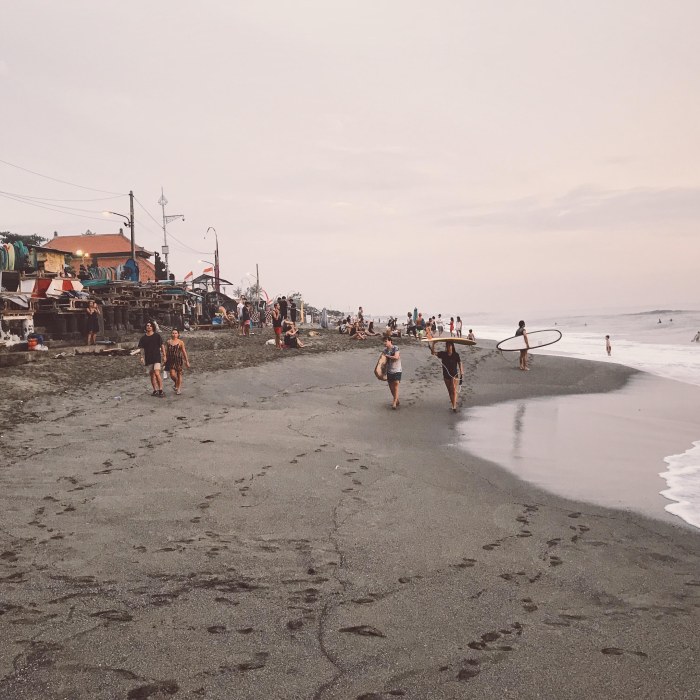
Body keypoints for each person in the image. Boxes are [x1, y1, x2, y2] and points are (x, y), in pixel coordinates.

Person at [431, 340, 464, 412]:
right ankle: (453, 405)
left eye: (450, 345)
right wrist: (433, 344)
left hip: (454, 374)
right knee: (449, 391)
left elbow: (460, 363)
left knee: (454, 390)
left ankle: (454, 407)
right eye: (447, 345)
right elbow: (433, 353)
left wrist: (462, 372)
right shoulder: (443, 354)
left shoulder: (456, 355)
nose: (448, 347)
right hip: (446, 374)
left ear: (452, 346)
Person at [138, 321, 166, 397]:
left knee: (157, 373)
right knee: (152, 375)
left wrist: (164, 355)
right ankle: (155, 390)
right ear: (145, 327)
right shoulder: (143, 338)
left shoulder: (157, 336)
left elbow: (162, 345)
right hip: (148, 358)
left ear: (153, 327)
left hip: (156, 357)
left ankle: (160, 390)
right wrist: (141, 357)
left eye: (150, 325)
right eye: (147, 325)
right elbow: (142, 348)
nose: (149, 327)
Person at [165, 329, 191, 395]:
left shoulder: (180, 342)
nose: (174, 334)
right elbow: (167, 352)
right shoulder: (168, 342)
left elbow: (184, 352)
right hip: (171, 360)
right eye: (173, 333)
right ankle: (177, 382)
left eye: (176, 333)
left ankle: (179, 389)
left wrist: (187, 361)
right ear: (171, 334)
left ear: (178, 334)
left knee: (179, 374)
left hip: (178, 360)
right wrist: (165, 359)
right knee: (172, 374)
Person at [383, 336, 401, 409]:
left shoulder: (395, 348)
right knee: (391, 388)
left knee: (396, 385)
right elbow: (383, 362)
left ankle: (394, 402)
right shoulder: (385, 350)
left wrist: (388, 356)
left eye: (386, 341)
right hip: (389, 370)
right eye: (384, 341)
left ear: (390, 341)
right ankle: (397, 399)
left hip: (397, 369)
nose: (384, 343)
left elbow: (396, 357)